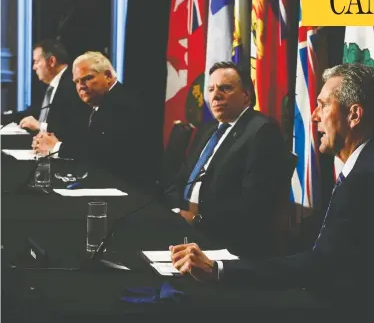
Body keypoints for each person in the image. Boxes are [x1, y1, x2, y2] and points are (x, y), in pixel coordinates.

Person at [170, 63, 374, 312]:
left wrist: (219, 270)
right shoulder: (361, 166)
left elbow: (323, 265)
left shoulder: (365, 177)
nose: (314, 116)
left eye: (323, 104)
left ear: (354, 115)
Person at [163, 61, 289, 257]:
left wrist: (197, 219)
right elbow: (180, 178)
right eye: (211, 89)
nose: (215, 96)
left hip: (224, 240)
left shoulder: (262, 131)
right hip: (185, 230)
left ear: (246, 96)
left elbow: (253, 204)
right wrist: (175, 210)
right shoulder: (209, 129)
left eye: (225, 88)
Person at [32, 51, 151, 185]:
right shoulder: (100, 101)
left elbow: (101, 154)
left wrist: (56, 147)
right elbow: (82, 137)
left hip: (129, 188)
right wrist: (47, 140)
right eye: (77, 81)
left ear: (108, 76)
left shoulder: (124, 104)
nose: (81, 87)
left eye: (87, 78)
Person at [2, 39, 90, 140]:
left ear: (51, 61)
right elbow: (31, 113)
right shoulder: (49, 85)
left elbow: (74, 129)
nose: (34, 67)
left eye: (36, 62)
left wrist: (40, 126)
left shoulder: (74, 84)